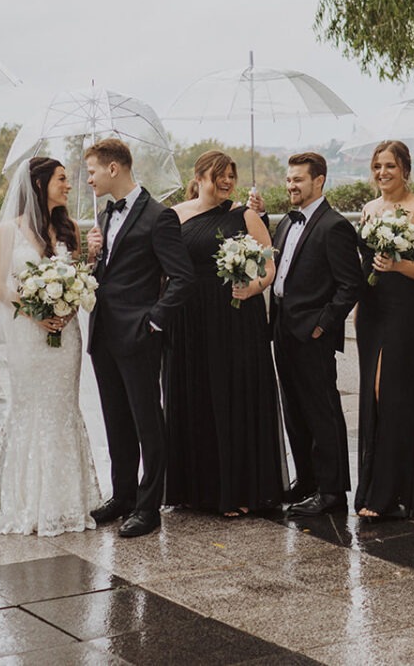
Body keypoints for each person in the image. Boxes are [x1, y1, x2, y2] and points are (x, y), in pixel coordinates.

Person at [0, 156, 102, 536]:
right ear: (39, 184)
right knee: (31, 407)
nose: (69, 185)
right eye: (62, 179)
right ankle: (28, 501)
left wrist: (89, 263)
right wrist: (34, 312)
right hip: (28, 334)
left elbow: (79, 278)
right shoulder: (9, 230)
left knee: (63, 406)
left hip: (66, 333)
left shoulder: (70, 230)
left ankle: (67, 502)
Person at [83, 138, 196, 538]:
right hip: (104, 334)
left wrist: (153, 321)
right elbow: (107, 276)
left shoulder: (158, 217)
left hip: (139, 335)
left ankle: (149, 508)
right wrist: (93, 257)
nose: (89, 179)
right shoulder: (103, 214)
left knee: (148, 421)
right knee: (116, 420)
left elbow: (183, 278)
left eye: (93, 171)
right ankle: (123, 496)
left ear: (114, 169)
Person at [165, 150, 284, 517]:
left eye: (230, 175)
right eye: (220, 175)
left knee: (233, 395)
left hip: (235, 316)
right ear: (199, 176)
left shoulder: (244, 215)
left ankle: (240, 489)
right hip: (188, 319)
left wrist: (253, 288)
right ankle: (194, 490)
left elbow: (269, 264)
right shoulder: (174, 216)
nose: (227, 181)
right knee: (195, 395)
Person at [263, 152, 364, 517]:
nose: (291, 185)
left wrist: (322, 324)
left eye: (298, 180)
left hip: (312, 334)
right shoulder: (286, 224)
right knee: (294, 410)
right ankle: (306, 480)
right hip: (282, 330)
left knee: (322, 411)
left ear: (319, 181)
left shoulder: (334, 225)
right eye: (289, 179)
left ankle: (333, 490)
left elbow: (350, 285)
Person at [354, 141, 414, 521]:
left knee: (390, 390)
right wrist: (359, 307)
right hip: (373, 308)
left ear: (405, 168)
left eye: (390, 165)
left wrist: (399, 266)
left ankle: (396, 491)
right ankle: (374, 486)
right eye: (377, 166)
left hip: (405, 309)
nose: (383, 172)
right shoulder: (369, 209)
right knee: (372, 396)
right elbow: (363, 264)